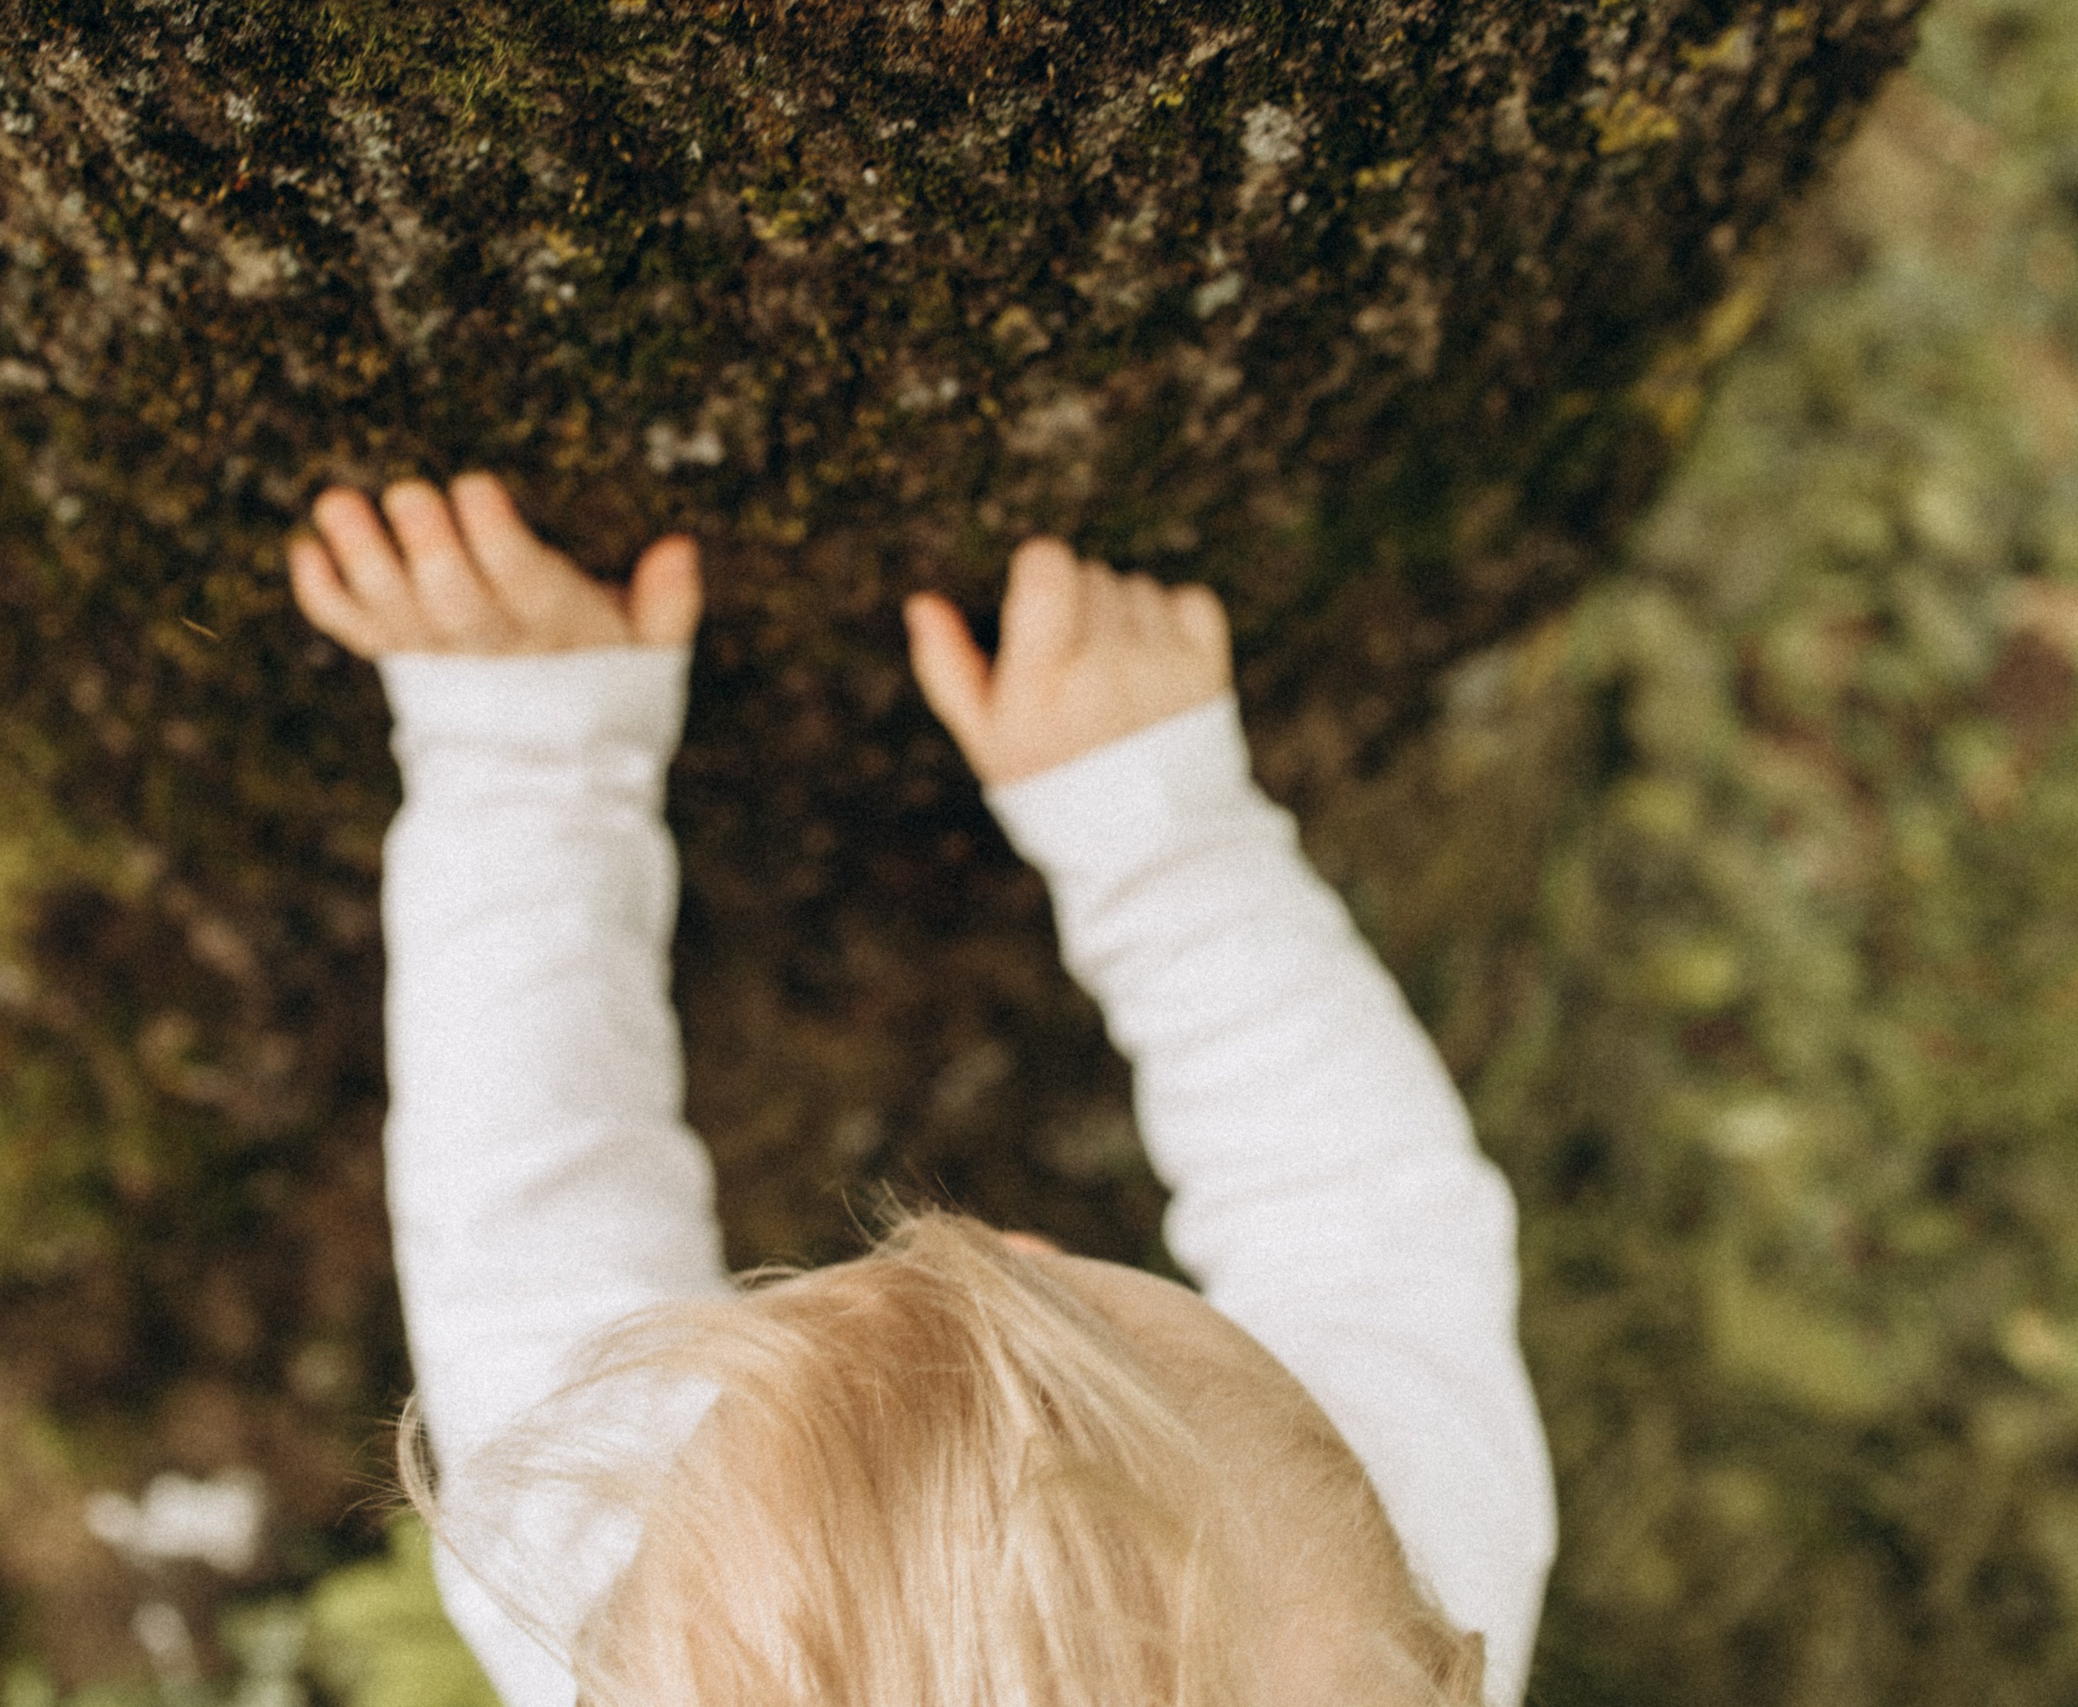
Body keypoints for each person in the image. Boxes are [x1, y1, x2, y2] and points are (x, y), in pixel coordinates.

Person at [288, 473, 1557, 1707]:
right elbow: (1353, 1200)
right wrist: (1152, 821)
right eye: (1077, 1304)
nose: (999, 1248)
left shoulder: (614, 1618)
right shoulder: (1416, 1543)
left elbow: (530, 1208)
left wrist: (529, 758)